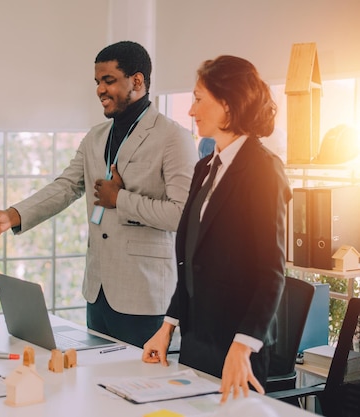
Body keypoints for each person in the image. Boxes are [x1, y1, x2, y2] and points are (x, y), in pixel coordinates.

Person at [0, 41, 197, 348]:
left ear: (137, 81)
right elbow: (65, 187)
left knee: (140, 385)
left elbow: (183, 214)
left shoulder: (173, 137)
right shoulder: (96, 136)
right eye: (98, 82)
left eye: (108, 80)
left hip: (145, 296)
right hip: (97, 291)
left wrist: (121, 200)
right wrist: (12, 215)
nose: (100, 89)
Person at [141, 56, 291, 403]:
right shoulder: (205, 166)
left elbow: (272, 272)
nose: (191, 110)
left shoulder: (264, 170)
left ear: (227, 104)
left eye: (198, 98)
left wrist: (243, 346)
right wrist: (168, 327)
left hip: (239, 345)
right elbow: (192, 261)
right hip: (197, 338)